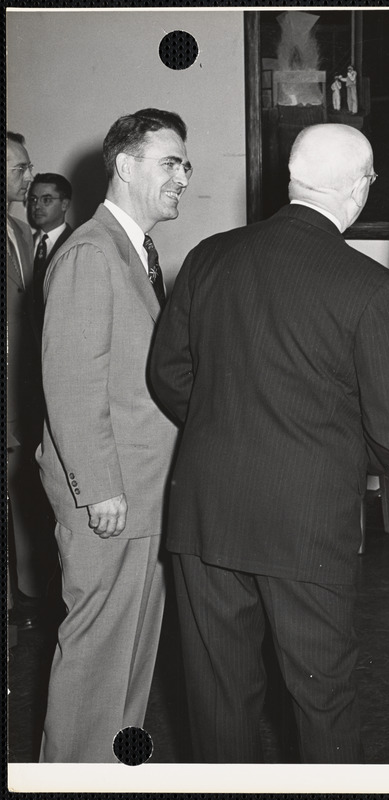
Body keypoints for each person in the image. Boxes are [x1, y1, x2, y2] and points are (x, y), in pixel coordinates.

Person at [148, 124, 389, 763]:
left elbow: (167, 372)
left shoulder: (211, 255)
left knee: (217, 702)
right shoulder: (370, 287)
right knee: (321, 700)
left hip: (206, 512)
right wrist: (325, 460)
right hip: (305, 523)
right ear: (359, 190)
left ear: (292, 179)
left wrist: (228, 424)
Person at [36, 108, 189, 761]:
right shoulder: (93, 252)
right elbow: (72, 381)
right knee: (97, 664)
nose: (183, 176)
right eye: (171, 162)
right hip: (110, 499)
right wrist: (99, 488)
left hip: (142, 496)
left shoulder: (131, 251)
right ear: (126, 166)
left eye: (185, 164)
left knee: (125, 670)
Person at [6, 131, 55, 632]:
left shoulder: (22, 233)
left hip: (22, 391)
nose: (29, 175)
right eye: (19, 168)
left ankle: (20, 599)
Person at [28, 172, 74, 322]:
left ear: (64, 204)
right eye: (33, 199)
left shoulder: (76, 244)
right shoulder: (22, 243)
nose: (37, 206)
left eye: (46, 200)